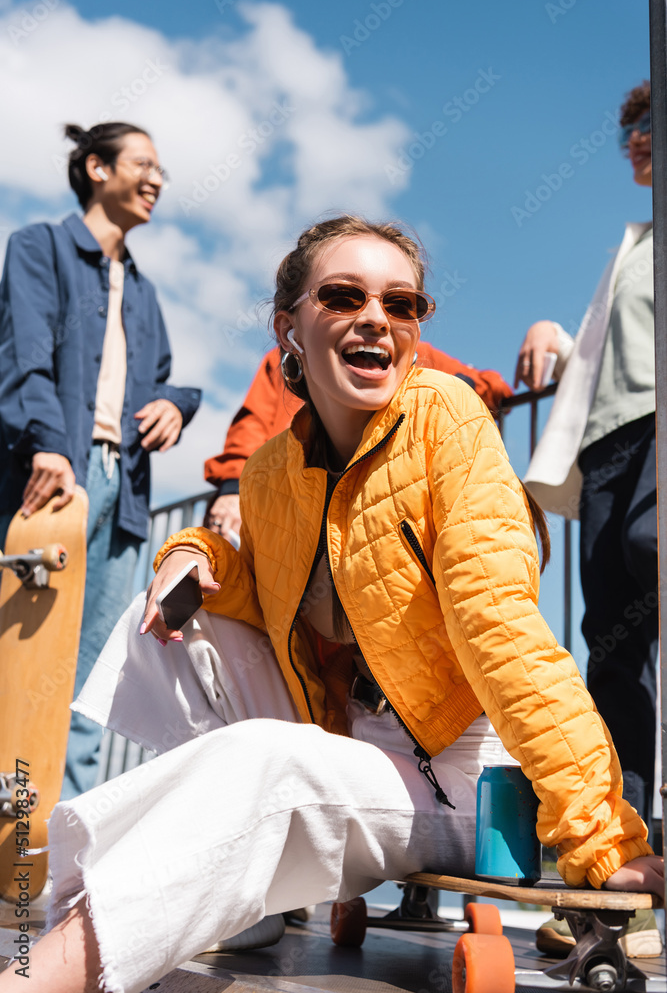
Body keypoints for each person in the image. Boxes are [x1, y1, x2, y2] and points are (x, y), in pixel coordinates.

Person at [7, 215, 661, 993]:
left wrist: (600, 834)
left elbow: (504, 635)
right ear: (290, 327)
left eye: (403, 304)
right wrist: (190, 553)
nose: (375, 318)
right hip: (350, 731)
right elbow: (263, 593)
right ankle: (231, 883)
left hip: (461, 776)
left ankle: (31, 977)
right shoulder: (270, 473)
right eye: (343, 295)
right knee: (166, 619)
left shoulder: (445, 420)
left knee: (266, 761)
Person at [0, 122, 201, 800]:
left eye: (161, 169)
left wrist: (176, 402)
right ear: (96, 167)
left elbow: (162, 378)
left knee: (87, 679)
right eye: (143, 163)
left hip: (125, 489)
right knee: (19, 660)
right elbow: (23, 356)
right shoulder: (40, 248)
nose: (156, 179)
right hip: (55, 472)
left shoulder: (141, 290)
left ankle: (60, 856)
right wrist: (49, 441)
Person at [514, 81, 659, 956]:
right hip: (611, 445)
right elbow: (604, 349)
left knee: (649, 556)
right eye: (626, 134)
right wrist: (548, 330)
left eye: (648, 125)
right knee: (607, 645)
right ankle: (621, 862)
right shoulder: (632, 245)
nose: (634, 142)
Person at [203, 344, 513, 540]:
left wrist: (450, 391)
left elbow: (493, 385)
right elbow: (253, 422)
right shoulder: (283, 359)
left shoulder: (410, 353)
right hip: (280, 507)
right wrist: (233, 488)